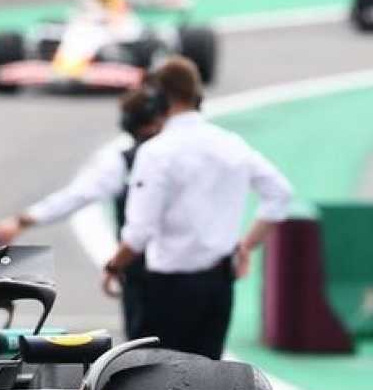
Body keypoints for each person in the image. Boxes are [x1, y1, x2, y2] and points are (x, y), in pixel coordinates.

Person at [102, 58, 294, 359]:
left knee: (157, 383)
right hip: (218, 282)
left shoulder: (156, 152)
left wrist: (114, 266)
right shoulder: (231, 144)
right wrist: (245, 245)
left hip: (168, 287)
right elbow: (280, 194)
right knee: (208, 380)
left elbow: (140, 231)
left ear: (158, 100)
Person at [0, 87, 169, 339]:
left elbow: (79, 195)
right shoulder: (197, 153)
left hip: (145, 271)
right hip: (202, 270)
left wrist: (23, 220)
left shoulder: (126, 162)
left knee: (148, 349)